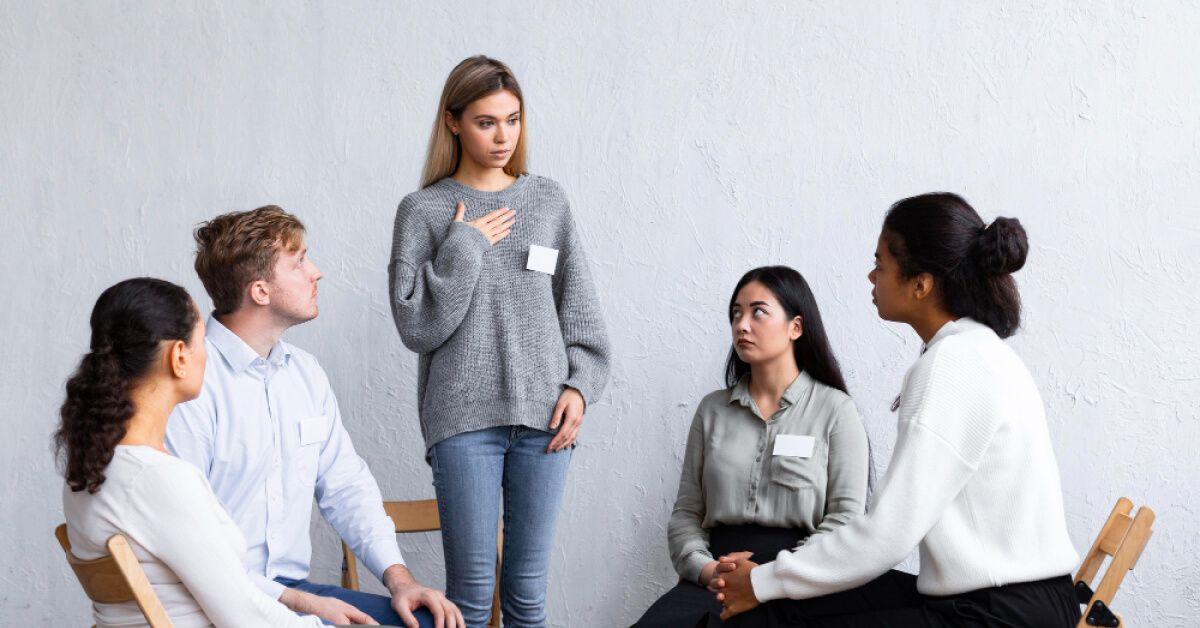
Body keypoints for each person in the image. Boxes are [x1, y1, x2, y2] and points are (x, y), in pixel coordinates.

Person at [712, 193, 1081, 627]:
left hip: (1001, 615)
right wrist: (771, 578)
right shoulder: (975, 351)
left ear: (920, 283)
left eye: (881, 264)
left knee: (772, 610)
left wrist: (763, 581)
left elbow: (887, 535)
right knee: (785, 604)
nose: (872, 276)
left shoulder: (953, 365)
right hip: (1011, 601)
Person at [388, 55, 611, 627]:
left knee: (528, 596)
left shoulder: (547, 201)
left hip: (544, 422)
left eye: (513, 120)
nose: (503, 135)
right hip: (462, 422)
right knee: (468, 594)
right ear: (453, 122)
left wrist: (581, 388)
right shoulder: (424, 211)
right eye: (487, 121)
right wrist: (464, 245)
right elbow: (417, 328)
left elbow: (581, 315)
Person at [166, 206, 461, 628]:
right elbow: (192, 543)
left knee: (432, 623)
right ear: (260, 291)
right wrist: (302, 605)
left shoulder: (305, 375)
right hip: (217, 600)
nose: (316, 272)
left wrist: (400, 580)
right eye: (299, 261)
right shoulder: (190, 384)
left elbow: (346, 487)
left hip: (294, 591)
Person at [634, 265, 896, 628]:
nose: (742, 325)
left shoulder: (836, 410)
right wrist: (707, 569)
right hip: (719, 572)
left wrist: (772, 575)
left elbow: (845, 519)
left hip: (799, 576)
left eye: (758, 312)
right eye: (736, 313)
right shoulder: (712, 409)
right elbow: (687, 513)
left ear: (796, 327)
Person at [58, 277, 324, 627]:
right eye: (203, 341)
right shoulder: (157, 478)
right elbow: (243, 617)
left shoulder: (92, 467)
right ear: (179, 356)